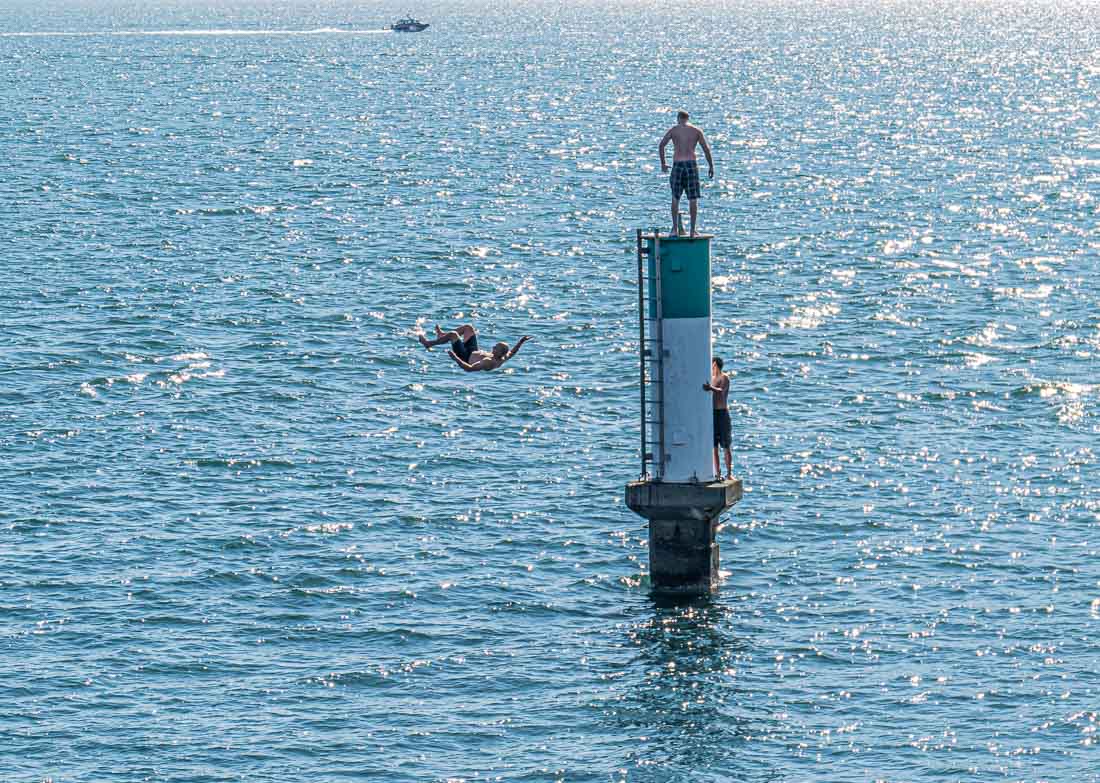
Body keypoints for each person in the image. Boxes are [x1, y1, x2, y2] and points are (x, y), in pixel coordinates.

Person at [658, 110, 714, 238]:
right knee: (693, 198)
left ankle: (674, 229)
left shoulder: (674, 130)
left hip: (678, 164)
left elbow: (661, 145)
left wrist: (663, 163)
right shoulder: (696, 131)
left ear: (678, 118)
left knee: (675, 197)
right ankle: (693, 230)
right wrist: (711, 166)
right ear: (688, 118)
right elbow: (706, 149)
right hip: (691, 165)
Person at [418, 323, 530, 372]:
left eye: (495, 348)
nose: (493, 347)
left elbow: (469, 369)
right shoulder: (503, 357)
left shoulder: (488, 362)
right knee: (468, 328)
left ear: (499, 353)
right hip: (473, 350)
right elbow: (512, 352)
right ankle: (443, 336)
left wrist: (455, 358)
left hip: (465, 356)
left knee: (453, 335)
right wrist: (521, 341)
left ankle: (429, 344)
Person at [703, 356, 732, 480]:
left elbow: (721, 391)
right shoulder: (712, 378)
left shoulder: (724, 377)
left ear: (715, 364)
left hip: (722, 413)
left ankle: (729, 473)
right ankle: (718, 473)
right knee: (714, 446)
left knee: (726, 445)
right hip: (713, 413)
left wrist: (710, 388)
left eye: (712, 364)